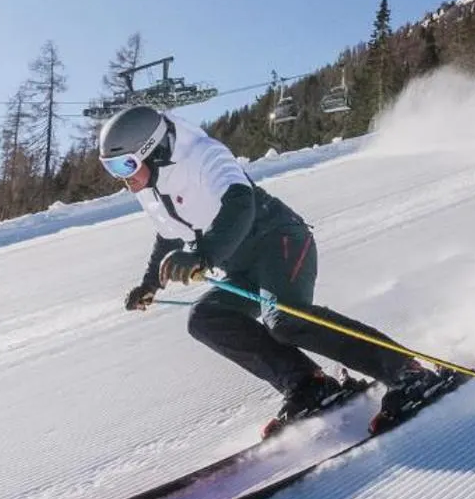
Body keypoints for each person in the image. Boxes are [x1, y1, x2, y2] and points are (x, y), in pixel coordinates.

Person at [100, 104, 441, 433]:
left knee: (285, 320)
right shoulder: (150, 186)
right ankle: (308, 384)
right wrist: (149, 284)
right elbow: (168, 234)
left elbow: (240, 203)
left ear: (154, 150)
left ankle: (405, 371)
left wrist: (203, 255)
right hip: (239, 265)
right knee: (205, 318)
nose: (122, 178)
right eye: (113, 168)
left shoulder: (203, 155)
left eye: (125, 165)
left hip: (280, 241)